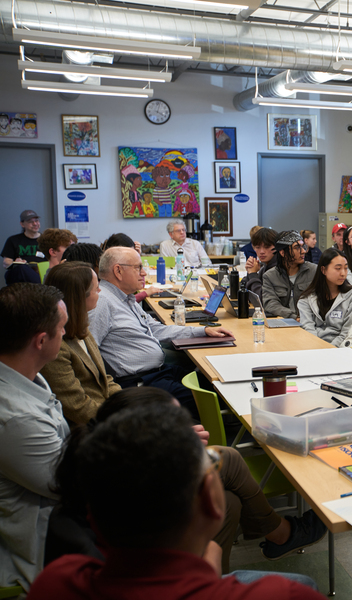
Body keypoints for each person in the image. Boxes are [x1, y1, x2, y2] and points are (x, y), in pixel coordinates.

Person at [29, 402, 326, 599]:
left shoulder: (54, 582)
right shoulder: (282, 594)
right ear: (212, 504)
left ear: (92, 515)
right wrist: (209, 561)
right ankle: (283, 533)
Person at [88, 247, 232, 414]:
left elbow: (155, 329)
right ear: (118, 271)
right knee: (214, 398)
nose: (143, 273)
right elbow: (90, 352)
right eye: (138, 267)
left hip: (158, 372)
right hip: (139, 382)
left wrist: (202, 331)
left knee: (215, 382)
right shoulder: (102, 303)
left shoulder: (125, 298)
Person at [0, 283, 69, 590]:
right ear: (41, 340)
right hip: (43, 551)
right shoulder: (16, 417)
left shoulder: (25, 374)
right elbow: (72, 485)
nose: (66, 335)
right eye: (63, 328)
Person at [40, 261, 121, 426]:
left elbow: (104, 378)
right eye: (95, 288)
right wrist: (124, 419)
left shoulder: (81, 326)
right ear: (79, 297)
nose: (100, 290)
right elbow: (77, 407)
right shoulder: (56, 347)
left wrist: (127, 402)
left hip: (106, 411)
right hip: (91, 427)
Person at [297, 248, 352, 348]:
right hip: (314, 348)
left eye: (345, 268)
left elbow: (347, 332)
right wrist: (316, 349)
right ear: (323, 270)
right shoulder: (306, 298)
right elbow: (308, 328)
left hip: (343, 348)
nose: (343, 273)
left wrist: (330, 350)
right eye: (338, 268)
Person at [262, 231, 316, 319]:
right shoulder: (270, 276)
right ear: (282, 252)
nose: (303, 251)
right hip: (285, 323)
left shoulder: (314, 271)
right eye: (297, 247)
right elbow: (270, 304)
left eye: (303, 246)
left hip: (311, 323)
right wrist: (293, 317)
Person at [243, 226, 279, 301]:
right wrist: (250, 271)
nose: (262, 251)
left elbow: (261, 299)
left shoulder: (278, 268)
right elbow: (244, 290)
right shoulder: (265, 266)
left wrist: (252, 274)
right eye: (258, 247)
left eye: (266, 247)